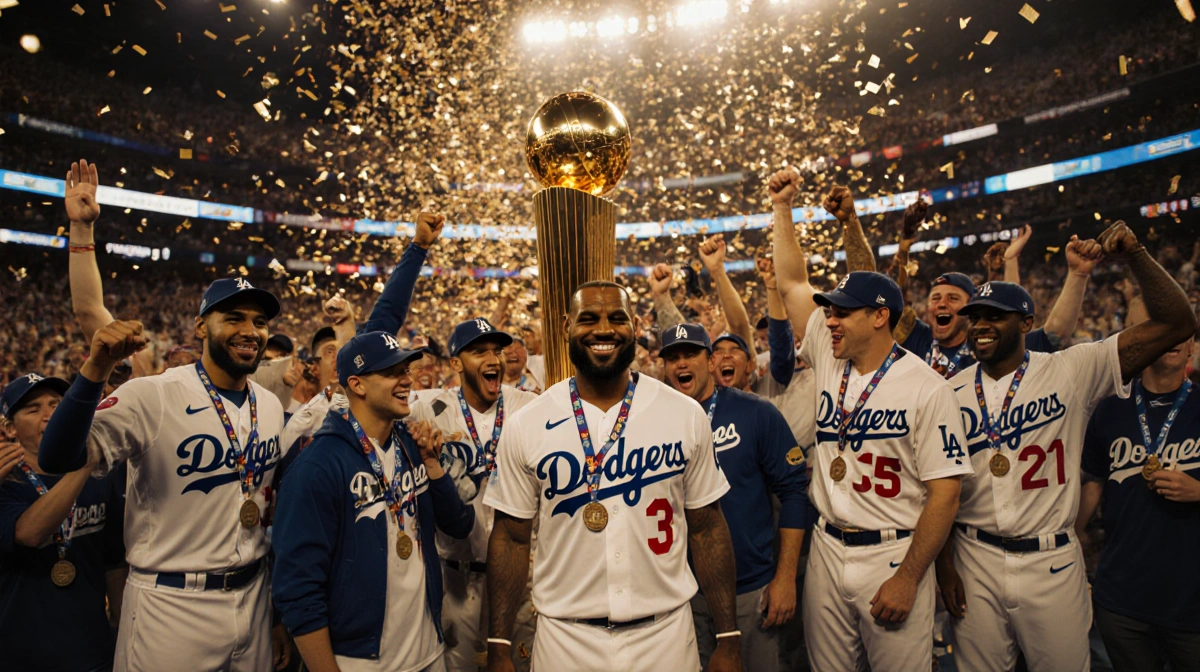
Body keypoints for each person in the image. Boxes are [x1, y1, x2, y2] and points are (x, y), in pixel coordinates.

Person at [936, 222, 1199, 671]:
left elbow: (1177, 323)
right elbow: (941, 487)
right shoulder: (948, 391)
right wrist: (945, 566)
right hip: (974, 557)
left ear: (1026, 323)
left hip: (1051, 560)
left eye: (995, 315)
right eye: (976, 316)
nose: (981, 325)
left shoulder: (1072, 369)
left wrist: (1135, 255)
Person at [484, 281, 742, 672]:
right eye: (588, 319)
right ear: (566, 327)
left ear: (635, 326)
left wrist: (728, 637)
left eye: (616, 318)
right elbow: (511, 536)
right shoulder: (527, 425)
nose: (603, 329)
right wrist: (500, 644)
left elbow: (707, 528)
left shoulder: (684, 415)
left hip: (666, 637)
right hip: (566, 642)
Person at [770, 172, 971, 672]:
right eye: (829, 314)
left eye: (842, 313)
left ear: (880, 316)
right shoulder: (827, 349)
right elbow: (792, 282)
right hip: (827, 545)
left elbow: (945, 494)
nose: (829, 321)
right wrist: (781, 207)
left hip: (892, 550)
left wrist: (909, 576)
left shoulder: (927, 386)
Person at [38, 279, 290, 672]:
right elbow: (57, 457)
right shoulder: (153, 393)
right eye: (234, 317)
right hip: (172, 603)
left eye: (259, 321)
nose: (250, 331)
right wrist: (95, 369)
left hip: (254, 594)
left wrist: (274, 615)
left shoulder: (271, 406)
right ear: (201, 326)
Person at [272, 331, 476, 672]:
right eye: (392, 372)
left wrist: (433, 464)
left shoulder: (413, 447)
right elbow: (298, 587)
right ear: (357, 384)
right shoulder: (317, 466)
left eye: (406, 370)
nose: (406, 380)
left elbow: (459, 524)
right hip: (358, 659)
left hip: (427, 650)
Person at [658, 323, 811, 672]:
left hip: (750, 587)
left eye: (691, 355)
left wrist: (785, 578)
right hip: (682, 593)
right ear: (663, 367)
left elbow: (793, 493)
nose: (681, 364)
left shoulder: (756, 412)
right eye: (673, 358)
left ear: (711, 362)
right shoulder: (655, 421)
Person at [409, 318, 539, 672]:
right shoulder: (429, 408)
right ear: (455, 364)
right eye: (479, 351)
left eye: (496, 350)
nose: (494, 358)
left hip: (518, 576)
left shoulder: (529, 407)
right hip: (457, 577)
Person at [1077, 328, 1200, 668]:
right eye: (1166, 329)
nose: (1174, 339)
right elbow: (1093, 483)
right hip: (1122, 600)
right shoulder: (1108, 410)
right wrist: (1075, 532)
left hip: (1192, 603)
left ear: (1191, 346)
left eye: (1183, 333)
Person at [0, 373, 127, 672]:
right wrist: (84, 464)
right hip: (22, 653)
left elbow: (114, 562)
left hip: (93, 648)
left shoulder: (101, 477)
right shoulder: (5, 483)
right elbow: (29, 533)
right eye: (33, 410)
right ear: (9, 428)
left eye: (58, 404)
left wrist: (122, 627)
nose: (50, 416)